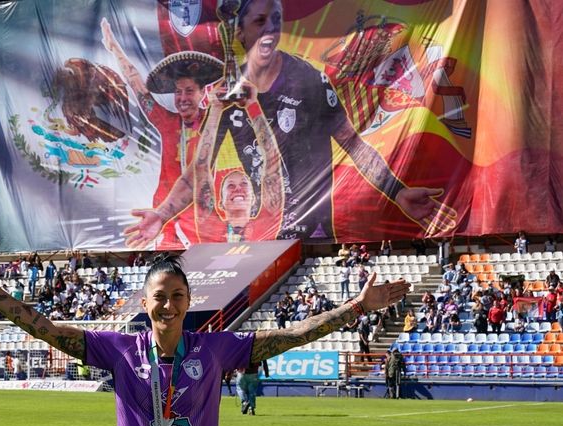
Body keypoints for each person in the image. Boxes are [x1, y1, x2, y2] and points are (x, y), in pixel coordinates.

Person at [0, 243, 407, 426]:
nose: (168, 304)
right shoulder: (119, 349)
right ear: (145, 303)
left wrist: (358, 307)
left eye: (177, 295)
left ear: (188, 300)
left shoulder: (214, 348)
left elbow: (291, 334)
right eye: (159, 296)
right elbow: (46, 329)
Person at [123, 0, 457, 248]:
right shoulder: (226, 94)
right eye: (260, 21)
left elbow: (354, 146)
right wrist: (162, 213)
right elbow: (198, 172)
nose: (270, 29)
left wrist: (397, 191)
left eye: (276, 20)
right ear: (240, 32)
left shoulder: (309, 79)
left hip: (316, 236)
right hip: (266, 235)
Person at [101, 18, 223, 249]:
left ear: (202, 93)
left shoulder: (216, 122)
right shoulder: (168, 122)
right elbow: (137, 84)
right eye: (178, 92)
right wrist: (114, 49)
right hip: (165, 223)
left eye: (189, 91)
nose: (183, 98)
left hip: (204, 225)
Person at [191, 79, 283, 242]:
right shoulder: (209, 228)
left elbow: (273, 160)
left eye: (244, 184)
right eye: (231, 186)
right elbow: (201, 168)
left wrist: (252, 105)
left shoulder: (267, 224)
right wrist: (215, 109)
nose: (237, 189)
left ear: (254, 198)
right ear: (220, 203)